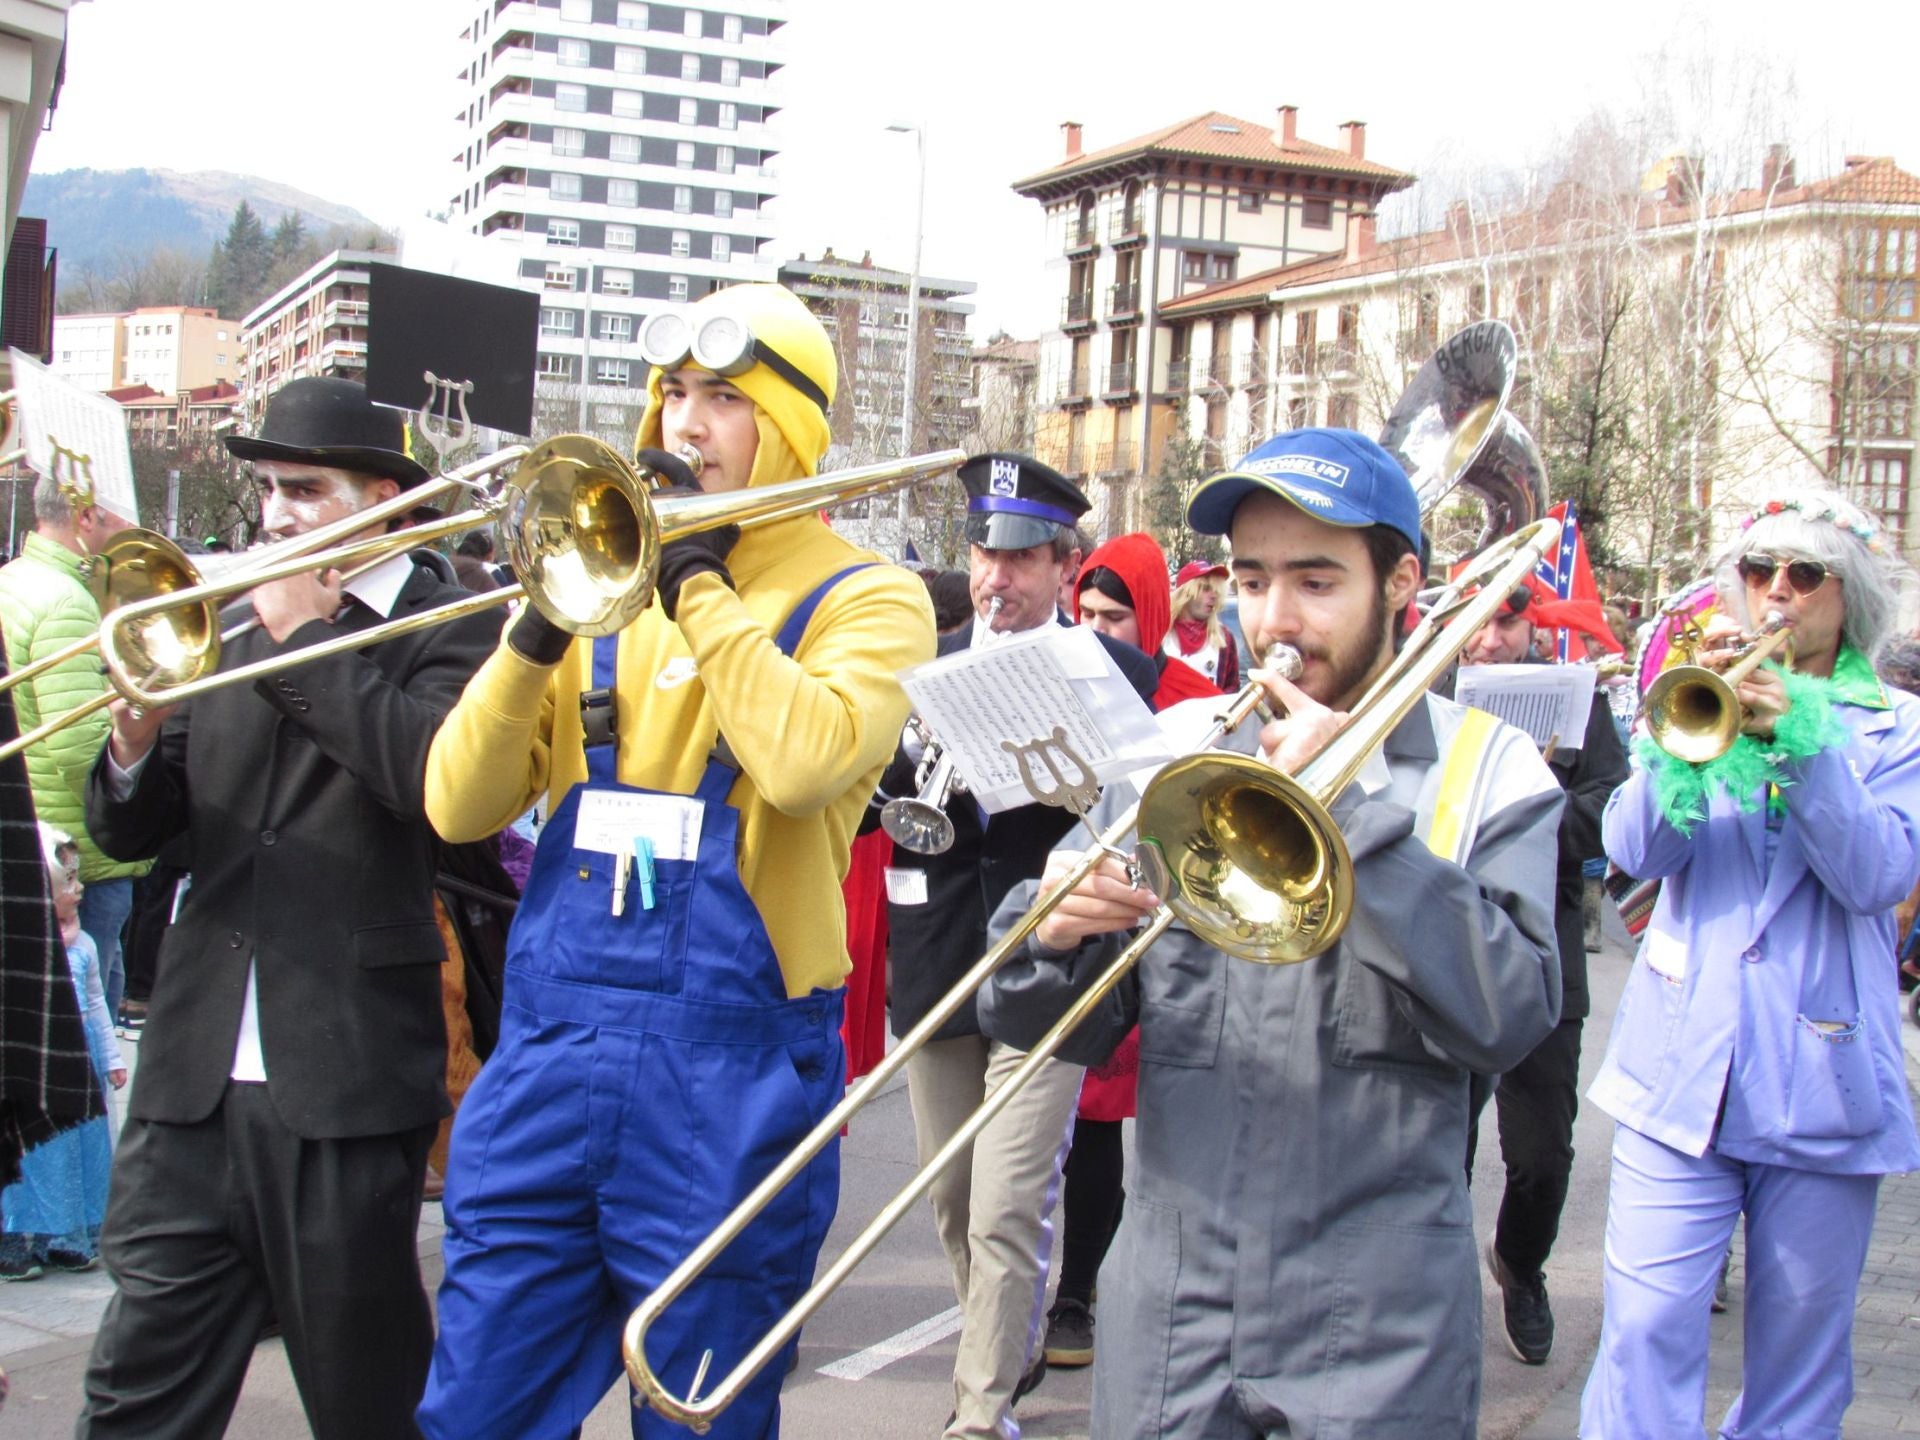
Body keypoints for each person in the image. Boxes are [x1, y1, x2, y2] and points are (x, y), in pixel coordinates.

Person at [417, 282, 936, 1440]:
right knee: (475, 1409)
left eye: (725, 399)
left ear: (788, 426)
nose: (686, 426)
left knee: (702, 1416)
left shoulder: (871, 596)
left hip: (731, 1080)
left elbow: (801, 765)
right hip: (553, 1055)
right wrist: (539, 623)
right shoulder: (604, 588)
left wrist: (697, 579)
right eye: (675, 396)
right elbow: (457, 803)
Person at [979, 427, 1564, 1439]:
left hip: (1379, 1320)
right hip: (1173, 1306)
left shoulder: (1491, 767)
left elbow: (1509, 1015)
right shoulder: (1173, 750)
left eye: (1315, 581)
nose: (1275, 620)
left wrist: (1354, 820)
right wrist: (1053, 936)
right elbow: (1040, 1021)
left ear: (1400, 582)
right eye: (1251, 580)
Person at [76, 376, 503, 1440]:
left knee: (364, 1395)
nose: (274, 515)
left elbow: (429, 787)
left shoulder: (451, 624)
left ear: (384, 503)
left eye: (304, 491)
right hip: (192, 1076)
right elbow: (138, 832)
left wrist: (308, 637)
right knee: (135, 1389)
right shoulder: (223, 626)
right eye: (267, 489)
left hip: (346, 1075)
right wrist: (131, 743)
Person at [1580, 490, 1920, 1439]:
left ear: (1848, 597)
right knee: (1643, 1327)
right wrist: (1680, 752)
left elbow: (1879, 876)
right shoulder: (1694, 691)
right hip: (1679, 1066)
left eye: (1805, 574)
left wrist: (1803, 746)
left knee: (1798, 1357)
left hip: (1821, 1076)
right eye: (1759, 570)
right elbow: (1632, 851)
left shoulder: (1900, 727)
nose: (1777, 591)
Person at [873, 455, 1157, 1438]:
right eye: (985, 555)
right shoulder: (927, 663)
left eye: (1022, 558)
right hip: (938, 955)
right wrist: (904, 768)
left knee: (1006, 1202)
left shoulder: (1120, 674)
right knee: (953, 1198)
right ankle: (1005, 1339)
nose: (998, 577)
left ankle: (980, 1410)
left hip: (1051, 965)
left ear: (1064, 566)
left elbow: (1150, 823)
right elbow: (872, 811)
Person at [1043, 531, 1222, 1369]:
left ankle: (1161, 1290)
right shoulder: (1062, 685)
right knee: (1091, 1125)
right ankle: (1076, 1292)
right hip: (1095, 927)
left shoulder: (1198, 701)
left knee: (1169, 1130)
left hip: (1177, 933)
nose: (1097, 631)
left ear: (1149, 616)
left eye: (1115, 617)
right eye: (1085, 612)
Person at [1453, 583, 1628, 1364]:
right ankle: (1436, 1288)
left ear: (1532, 625)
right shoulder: (1426, 692)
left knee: (1543, 1156)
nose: (1491, 639)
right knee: (1436, 1146)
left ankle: (1521, 1265)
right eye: (1478, 621)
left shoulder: (1581, 703)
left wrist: (1524, 809)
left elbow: (1609, 814)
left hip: (1543, 948)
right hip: (1446, 946)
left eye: (1508, 621)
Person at [0, 469, 152, 1024]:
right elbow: (80, 751)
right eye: (124, 514)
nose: (134, 530)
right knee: (87, 1021)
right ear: (87, 516)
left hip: (39, 837)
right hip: (82, 857)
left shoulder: (14, 577)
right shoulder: (69, 603)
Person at [0, 824, 125, 1280]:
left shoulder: (85, 945)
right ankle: (15, 1239)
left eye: (77, 878)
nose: (79, 889)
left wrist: (112, 1058)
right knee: (30, 1155)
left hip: (75, 1062)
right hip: (28, 1065)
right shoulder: (17, 945)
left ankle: (67, 1239)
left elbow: (98, 1006)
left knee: (74, 1151)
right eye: (67, 881)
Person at [1163, 558, 1240, 693]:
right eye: (1206, 589)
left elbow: (1232, 688)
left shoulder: (1224, 638)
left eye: (1217, 590)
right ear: (1186, 593)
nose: (1214, 596)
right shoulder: (1160, 634)